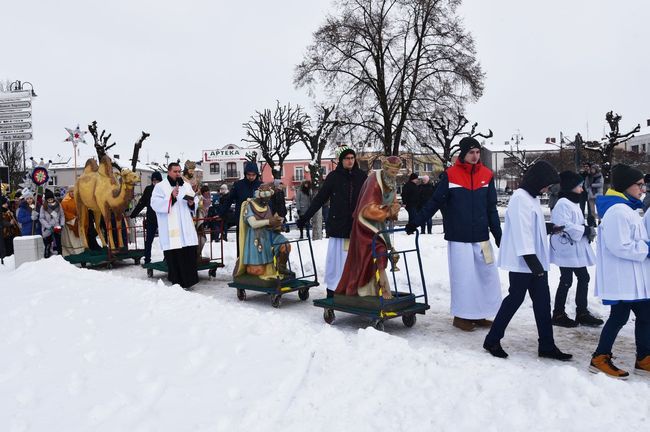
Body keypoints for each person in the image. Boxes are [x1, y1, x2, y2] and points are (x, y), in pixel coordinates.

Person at [407, 137, 502, 331]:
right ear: (463, 154)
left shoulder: (487, 175)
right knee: (464, 278)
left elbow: (491, 208)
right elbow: (434, 202)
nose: (475, 156)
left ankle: (480, 313)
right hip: (460, 237)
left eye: (477, 152)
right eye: (471, 153)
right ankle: (462, 316)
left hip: (482, 236)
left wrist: (499, 235)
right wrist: (416, 222)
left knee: (486, 275)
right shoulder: (450, 175)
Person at [483, 161, 572, 361]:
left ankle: (547, 346)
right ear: (538, 180)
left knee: (542, 303)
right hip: (525, 262)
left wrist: (550, 228)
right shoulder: (520, 199)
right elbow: (523, 232)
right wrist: (534, 264)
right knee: (514, 299)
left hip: (534, 262)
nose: (548, 189)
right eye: (547, 184)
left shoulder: (530, 198)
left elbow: (533, 226)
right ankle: (492, 340)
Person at [589, 164, 650, 379]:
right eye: (639, 185)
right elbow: (620, 245)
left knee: (645, 315)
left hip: (634, 279)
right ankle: (599, 357)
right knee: (619, 317)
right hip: (623, 278)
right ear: (626, 186)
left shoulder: (628, 209)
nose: (643, 189)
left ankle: (644, 358)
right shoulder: (617, 211)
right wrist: (647, 249)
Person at [296, 146, 367, 297]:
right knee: (337, 260)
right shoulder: (334, 177)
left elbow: (369, 198)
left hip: (357, 226)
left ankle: (355, 287)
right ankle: (333, 289)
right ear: (341, 161)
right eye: (347, 158)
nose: (350, 161)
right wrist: (305, 217)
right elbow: (320, 198)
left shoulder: (361, 176)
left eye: (352, 158)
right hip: (339, 225)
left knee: (355, 259)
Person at [336, 156, 402, 298]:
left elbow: (392, 200)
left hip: (378, 226)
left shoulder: (390, 181)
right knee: (375, 254)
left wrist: (394, 208)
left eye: (396, 173)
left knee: (379, 255)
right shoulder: (374, 181)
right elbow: (367, 209)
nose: (394, 175)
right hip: (365, 227)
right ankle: (368, 291)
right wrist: (389, 210)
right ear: (385, 169)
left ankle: (379, 290)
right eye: (392, 172)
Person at [549, 171, 602, 327]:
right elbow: (562, 226)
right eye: (579, 186)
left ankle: (582, 312)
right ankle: (558, 314)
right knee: (566, 279)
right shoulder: (562, 203)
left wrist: (587, 228)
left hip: (574, 248)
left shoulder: (572, 202)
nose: (582, 189)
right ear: (571, 187)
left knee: (582, 277)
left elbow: (574, 224)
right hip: (566, 249)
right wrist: (584, 230)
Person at [150, 162, 199, 289]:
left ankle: (189, 281)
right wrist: (171, 197)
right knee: (175, 255)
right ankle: (177, 281)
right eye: (175, 171)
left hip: (186, 226)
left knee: (188, 254)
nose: (178, 174)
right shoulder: (160, 187)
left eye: (179, 171)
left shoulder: (186, 185)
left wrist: (191, 202)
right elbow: (154, 203)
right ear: (169, 172)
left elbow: (195, 200)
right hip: (171, 227)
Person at [233, 183, 292, 280]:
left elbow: (269, 223)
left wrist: (277, 226)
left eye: (269, 198)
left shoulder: (267, 206)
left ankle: (281, 266)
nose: (268, 201)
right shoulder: (250, 206)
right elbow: (253, 224)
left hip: (269, 234)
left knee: (285, 245)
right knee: (258, 271)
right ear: (259, 197)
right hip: (255, 237)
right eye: (266, 199)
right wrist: (269, 221)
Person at [218, 162, 262, 254]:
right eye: (248, 175)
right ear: (245, 174)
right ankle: (241, 263)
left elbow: (267, 203)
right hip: (242, 220)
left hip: (257, 220)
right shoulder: (238, 185)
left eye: (253, 175)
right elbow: (229, 200)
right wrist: (221, 213)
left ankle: (256, 265)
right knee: (242, 244)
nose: (251, 177)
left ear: (256, 174)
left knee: (257, 244)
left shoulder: (260, 186)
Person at [130, 171, 162, 264]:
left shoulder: (164, 190)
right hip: (151, 219)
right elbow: (142, 203)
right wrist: (134, 214)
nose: (156, 182)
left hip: (162, 219)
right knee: (149, 240)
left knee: (165, 240)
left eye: (158, 181)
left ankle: (167, 258)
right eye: (154, 181)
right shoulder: (148, 189)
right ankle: (147, 259)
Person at [39, 189, 65, 258]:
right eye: (48, 199)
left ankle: (60, 257)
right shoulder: (43, 207)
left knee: (59, 244)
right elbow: (41, 218)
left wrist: (62, 224)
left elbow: (62, 215)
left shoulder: (58, 205)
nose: (50, 200)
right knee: (48, 245)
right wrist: (48, 226)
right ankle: (47, 259)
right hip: (47, 228)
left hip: (57, 227)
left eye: (51, 199)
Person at [60, 187, 85, 256]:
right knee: (70, 239)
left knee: (78, 239)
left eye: (74, 191)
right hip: (69, 223)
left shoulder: (77, 200)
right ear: (68, 192)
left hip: (77, 222)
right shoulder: (64, 201)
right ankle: (70, 252)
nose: (73, 193)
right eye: (71, 191)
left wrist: (80, 215)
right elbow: (64, 212)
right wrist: (73, 217)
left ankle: (80, 251)